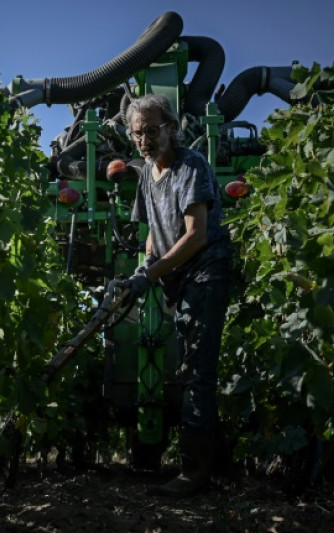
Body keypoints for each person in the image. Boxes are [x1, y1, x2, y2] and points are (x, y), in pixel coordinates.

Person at [122, 93, 233, 496]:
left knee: (196, 373)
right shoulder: (147, 175)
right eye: (138, 135)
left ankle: (194, 472)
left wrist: (151, 275)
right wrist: (143, 265)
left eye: (152, 131)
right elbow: (154, 230)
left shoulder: (191, 166)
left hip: (206, 273)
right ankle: (221, 469)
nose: (145, 141)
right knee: (190, 368)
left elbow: (196, 234)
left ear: (171, 127)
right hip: (180, 280)